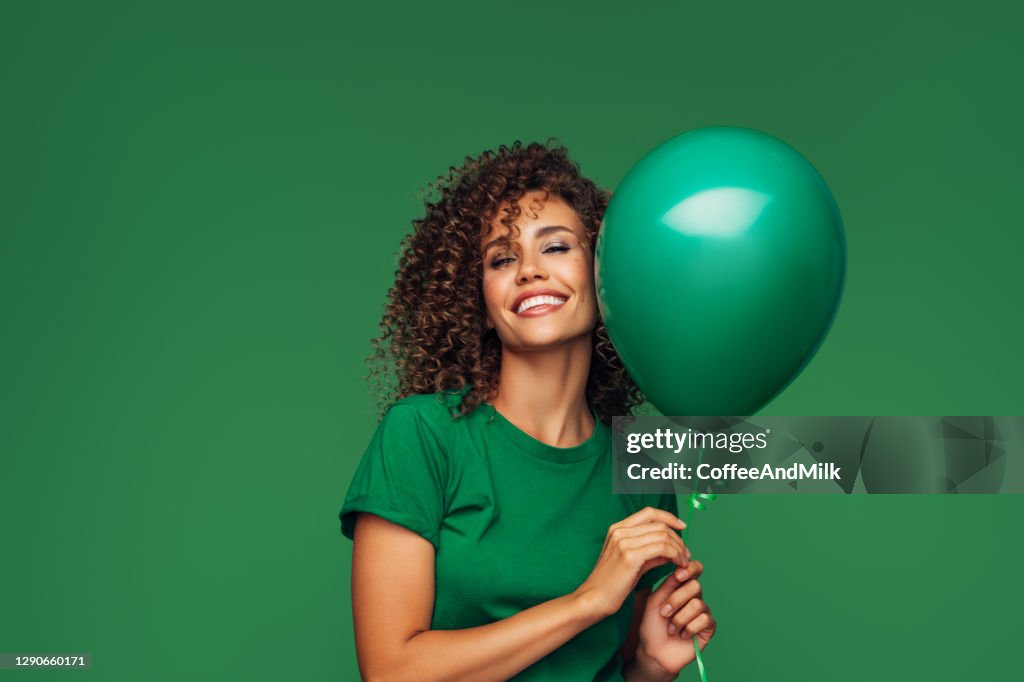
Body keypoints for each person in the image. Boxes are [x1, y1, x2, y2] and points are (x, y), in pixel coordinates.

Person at [339, 140, 716, 681]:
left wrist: (652, 667)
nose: (530, 271)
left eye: (557, 247)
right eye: (503, 258)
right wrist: (587, 600)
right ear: (484, 305)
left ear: (604, 279)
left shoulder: (643, 463)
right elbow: (391, 673)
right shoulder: (423, 435)